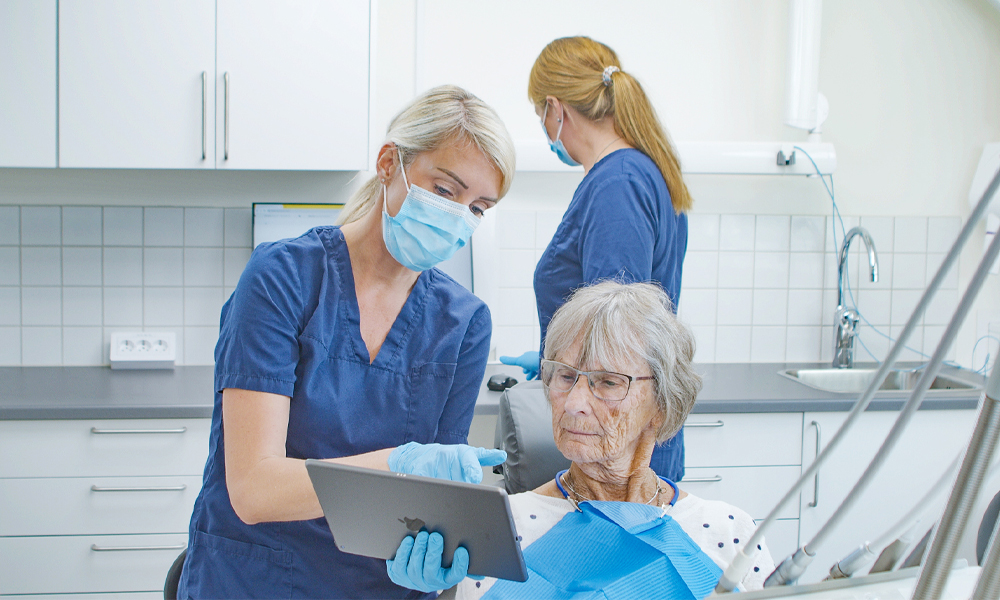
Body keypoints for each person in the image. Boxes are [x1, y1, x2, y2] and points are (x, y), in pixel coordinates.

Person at [177, 85, 516, 599]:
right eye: (446, 191)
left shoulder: (464, 323)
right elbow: (253, 489)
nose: (458, 218)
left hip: (377, 587)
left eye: (479, 208)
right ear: (389, 164)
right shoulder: (283, 279)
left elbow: (437, 504)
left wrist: (438, 561)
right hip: (255, 580)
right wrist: (399, 465)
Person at [389, 281, 774, 598]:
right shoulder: (499, 532)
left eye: (608, 382)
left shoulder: (727, 533)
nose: (574, 404)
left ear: (661, 405)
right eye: (565, 376)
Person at [500, 36, 692, 483]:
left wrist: (572, 371)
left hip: (616, 452)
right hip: (622, 436)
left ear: (555, 109)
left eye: (539, 113)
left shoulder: (618, 186)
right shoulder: (632, 174)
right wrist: (555, 363)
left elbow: (615, 335)